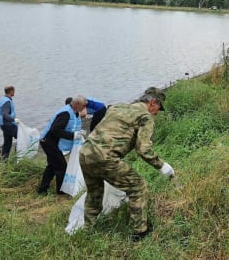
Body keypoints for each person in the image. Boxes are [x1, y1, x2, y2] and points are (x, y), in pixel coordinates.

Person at [79, 87, 175, 241]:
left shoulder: (118, 106)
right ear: (153, 102)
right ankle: (139, 232)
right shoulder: (145, 117)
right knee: (138, 187)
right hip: (105, 158)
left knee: (94, 193)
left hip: (85, 153)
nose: (157, 112)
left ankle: (88, 231)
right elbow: (143, 149)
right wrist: (162, 166)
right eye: (158, 108)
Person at [37, 95, 87, 195]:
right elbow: (54, 130)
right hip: (47, 141)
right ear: (77, 105)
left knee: (52, 165)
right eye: (83, 106)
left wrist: (79, 133)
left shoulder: (74, 112)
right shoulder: (66, 113)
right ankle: (61, 191)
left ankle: (42, 189)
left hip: (52, 141)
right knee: (61, 166)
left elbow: (70, 126)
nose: (84, 108)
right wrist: (72, 135)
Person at [0, 85, 19, 160]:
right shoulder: (7, 101)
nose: (14, 92)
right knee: (21, 138)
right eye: (14, 91)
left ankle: (4, 160)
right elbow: (5, 114)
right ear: (11, 91)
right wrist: (13, 119)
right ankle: (17, 157)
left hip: (3, 124)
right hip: (9, 124)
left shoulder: (3, 99)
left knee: (7, 143)